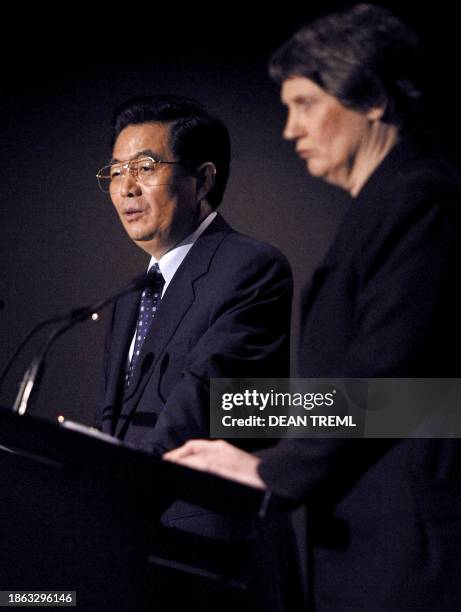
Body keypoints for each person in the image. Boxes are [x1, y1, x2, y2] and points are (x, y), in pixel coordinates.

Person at [165, 5, 461, 611]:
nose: (289, 129)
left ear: (372, 99)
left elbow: (393, 380)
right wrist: (252, 442)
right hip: (368, 537)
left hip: (406, 555)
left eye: (305, 104)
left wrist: (270, 470)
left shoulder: (419, 197)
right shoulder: (386, 203)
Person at [94, 95, 302, 611]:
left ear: (203, 181)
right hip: (129, 544)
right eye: (116, 170)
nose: (126, 186)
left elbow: (204, 397)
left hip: (207, 545)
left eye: (145, 166)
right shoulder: (132, 294)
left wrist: (117, 490)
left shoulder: (248, 266)